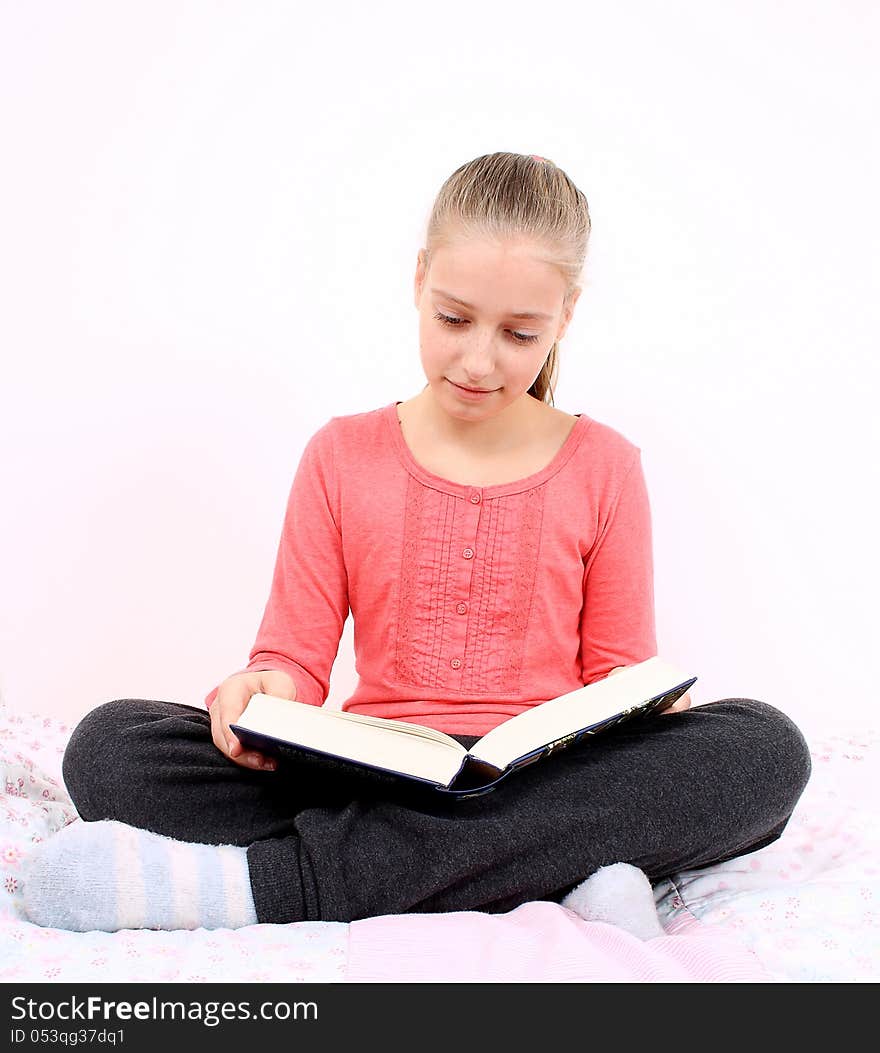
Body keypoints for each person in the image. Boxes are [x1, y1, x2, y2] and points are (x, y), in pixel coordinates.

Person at [23, 152, 811, 933]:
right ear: (418, 280)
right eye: (454, 318)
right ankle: (558, 871)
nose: (477, 359)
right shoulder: (340, 453)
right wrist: (259, 691)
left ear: (566, 314)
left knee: (765, 748)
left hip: (541, 778)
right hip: (373, 774)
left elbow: (615, 674)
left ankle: (272, 886)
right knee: (111, 747)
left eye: (519, 332)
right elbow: (294, 660)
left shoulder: (605, 464)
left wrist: (651, 709)